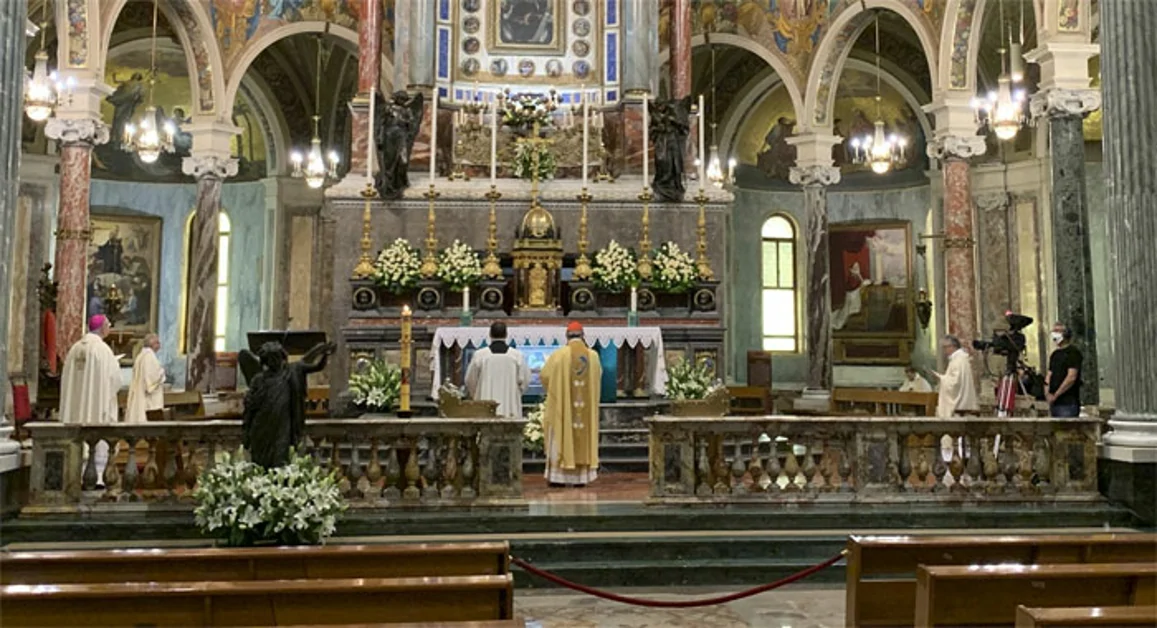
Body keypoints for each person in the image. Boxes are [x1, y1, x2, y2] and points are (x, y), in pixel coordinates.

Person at [241, 341, 335, 469]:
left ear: (282, 358)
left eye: (276, 358)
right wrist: (247, 429)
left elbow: (317, 367)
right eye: (270, 359)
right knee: (260, 463)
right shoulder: (259, 380)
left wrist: (325, 354)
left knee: (280, 459)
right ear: (265, 361)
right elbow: (250, 404)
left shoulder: (291, 372)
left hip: (283, 426)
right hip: (262, 427)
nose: (274, 362)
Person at [59, 315, 123, 483]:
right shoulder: (103, 350)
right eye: (108, 325)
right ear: (103, 328)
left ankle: (73, 475)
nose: (109, 328)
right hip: (96, 405)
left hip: (75, 406)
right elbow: (115, 381)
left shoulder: (75, 349)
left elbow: (66, 379)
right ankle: (98, 476)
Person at [540, 322, 602, 487]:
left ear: (567, 337)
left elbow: (544, 376)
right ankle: (581, 478)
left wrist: (557, 389)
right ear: (583, 336)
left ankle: (558, 478)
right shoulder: (593, 356)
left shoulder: (558, 355)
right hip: (585, 410)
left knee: (561, 432)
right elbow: (598, 377)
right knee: (584, 435)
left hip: (563, 409)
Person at [465, 322, 529, 419]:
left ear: (490, 334)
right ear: (506, 335)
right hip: (510, 406)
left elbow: (470, 380)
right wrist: (516, 394)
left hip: (485, 406)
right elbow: (525, 380)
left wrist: (478, 394)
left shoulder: (480, 355)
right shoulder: (516, 356)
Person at [932, 335, 979, 418]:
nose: (944, 351)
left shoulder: (959, 360)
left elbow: (955, 383)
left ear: (952, 346)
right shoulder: (959, 358)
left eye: (945, 347)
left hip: (959, 408)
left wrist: (940, 378)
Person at [125, 334, 165, 424]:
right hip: (149, 401)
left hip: (141, 396)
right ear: (153, 344)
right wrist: (162, 373)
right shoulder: (149, 356)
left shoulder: (141, 356)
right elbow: (152, 379)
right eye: (158, 343)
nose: (160, 346)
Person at [1046, 322, 1083, 418]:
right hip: (1054, 403)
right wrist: (1047, 393)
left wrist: (1056, 395)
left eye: (1057, 331)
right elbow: (1049, 375)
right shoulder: (1055, 354)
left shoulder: (1073, 353)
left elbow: (1071, 377)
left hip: (1067, 403)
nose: (1054, 334)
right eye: (1053, 331)